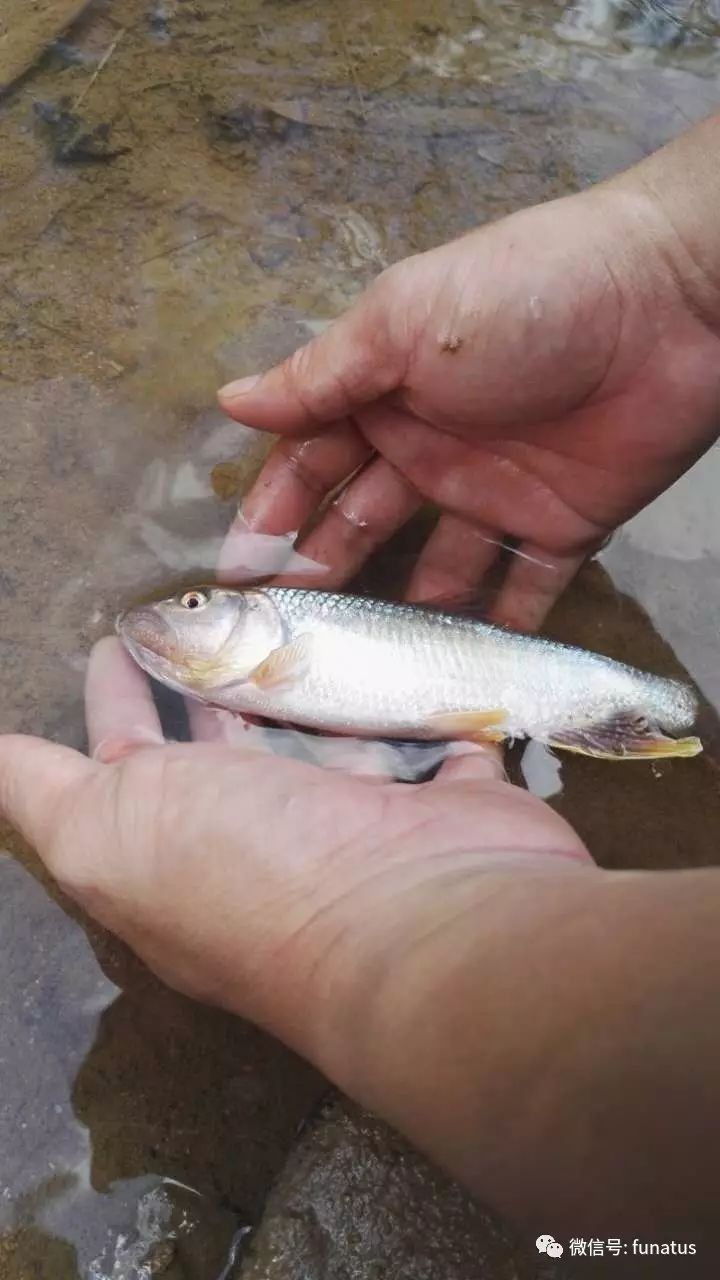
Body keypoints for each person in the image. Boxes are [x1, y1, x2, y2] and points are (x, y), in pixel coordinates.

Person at [2, 111, 720, 1253]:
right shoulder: (279, 629)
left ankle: (660, 718)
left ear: (237, 617)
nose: (181, 612)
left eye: (196, 606)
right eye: (191, 606)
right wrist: (674, 268)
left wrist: (356, 940)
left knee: (633, 704)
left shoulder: (281, 624)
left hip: (521, 681)